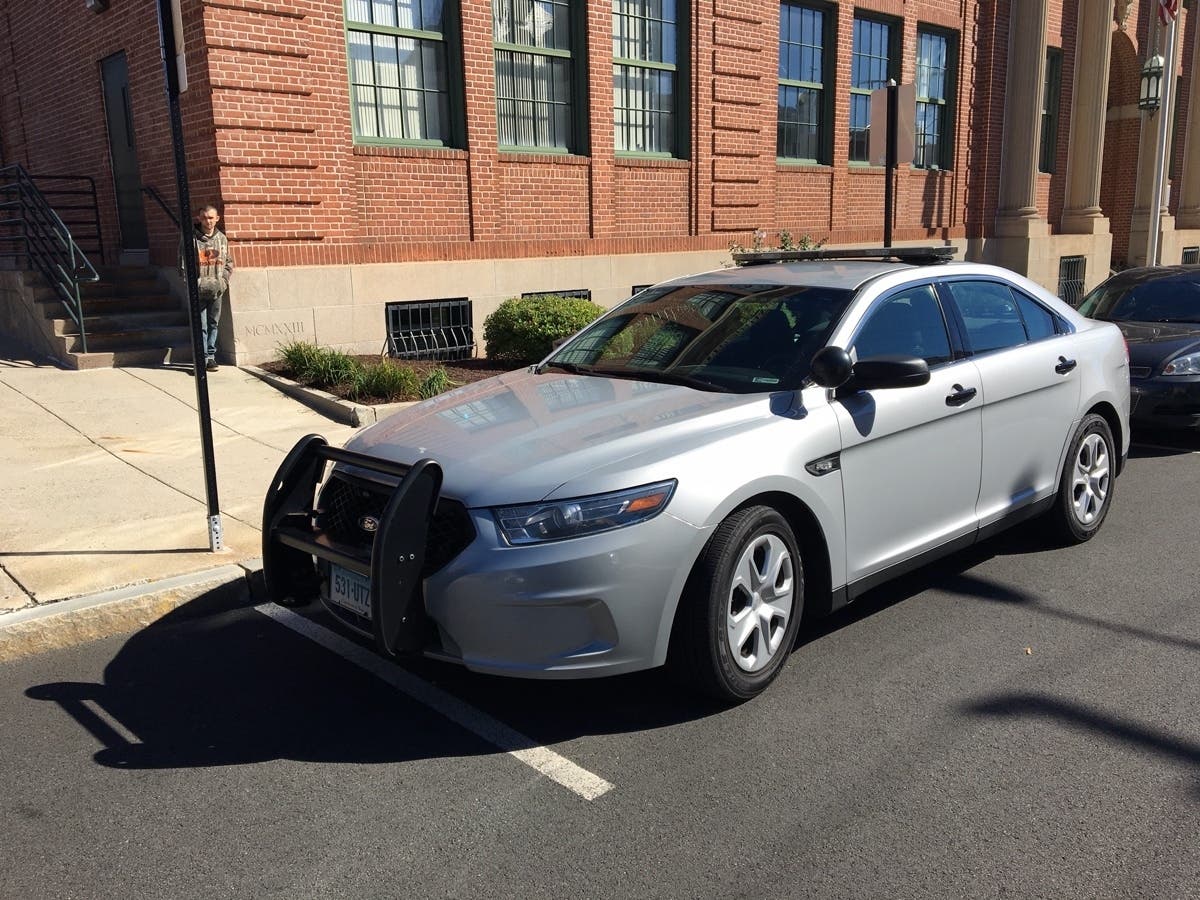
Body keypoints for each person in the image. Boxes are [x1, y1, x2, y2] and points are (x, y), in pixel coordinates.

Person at [192, 204, 233, 371]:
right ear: (199, 218)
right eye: (204, 217)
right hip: (198, 289)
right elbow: (182, 263)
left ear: (217, 219)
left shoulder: (222, 238)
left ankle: (210, 357)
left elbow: (229, 262)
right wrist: (193, 283)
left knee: (213, 323)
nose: (207, 221)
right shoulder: (191, 239)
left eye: (211, 217)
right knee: (200, 325)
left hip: (217, 289)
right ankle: (201, 358)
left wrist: (223, 281)